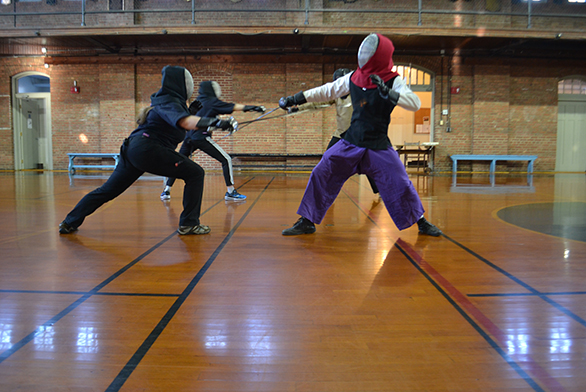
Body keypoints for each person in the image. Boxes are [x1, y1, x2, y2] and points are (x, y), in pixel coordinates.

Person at [278, 33, 442, 237]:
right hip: (350, 142)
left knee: (400, 182)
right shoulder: (353, 77)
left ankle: (422, 223)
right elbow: (327, 90)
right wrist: (295, 99)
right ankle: (307, 221)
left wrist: (389, 93)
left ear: (379, 54)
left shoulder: (393, 81)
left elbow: (415, 103)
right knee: (321, 172)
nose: (364, 54)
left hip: (378, 146)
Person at [58, 65, 235, 236]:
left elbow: (173, 123)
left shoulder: (165, 101)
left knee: (108, 190)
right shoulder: (170, 102)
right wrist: (217, 123)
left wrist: (191, 112)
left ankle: (69, 221)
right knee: (195, 173)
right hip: (148, 149)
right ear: (180, 85)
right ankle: (189, 224)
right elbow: (183, 122)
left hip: (133, 150)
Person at [161, 80, 266, 202]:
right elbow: (233, 107)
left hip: (188, 137)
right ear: (211, 90)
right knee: (226, 159)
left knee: (179, 162)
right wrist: (253, 108)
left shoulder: (198, 101)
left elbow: (203, 121)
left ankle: (166, 191)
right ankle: (231, 192)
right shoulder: (212, 102)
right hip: (201, 137)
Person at [292, 67, 379, 194]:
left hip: (360, 136)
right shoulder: (336, 96)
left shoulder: (360, 94)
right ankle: (325, 188)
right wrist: (298, 108)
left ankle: (380, 190)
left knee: (368, 163)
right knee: (328, 160)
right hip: (341, 135)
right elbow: (317, 103)